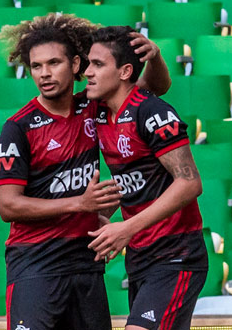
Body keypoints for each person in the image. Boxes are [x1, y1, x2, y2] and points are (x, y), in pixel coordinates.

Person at [0, 14, 172, 330]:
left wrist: (154, 56)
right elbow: (8, 206)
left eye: (53, 63)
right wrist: (80, 204)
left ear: (76, 64)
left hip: (85, 262)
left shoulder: (95, 107)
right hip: (36, 264)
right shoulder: (18, 128)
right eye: (36, 66)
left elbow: (154, 87)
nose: (45, 74)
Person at [85, 25, 208, 330]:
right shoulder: (101, 111)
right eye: (88, 63)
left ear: (125, 71)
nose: (88, 72)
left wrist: (126, 228)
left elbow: (190, 183)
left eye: (98, 64)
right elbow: (134, 182)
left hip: (176, 254)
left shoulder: (150, 112)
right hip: (140, 256)